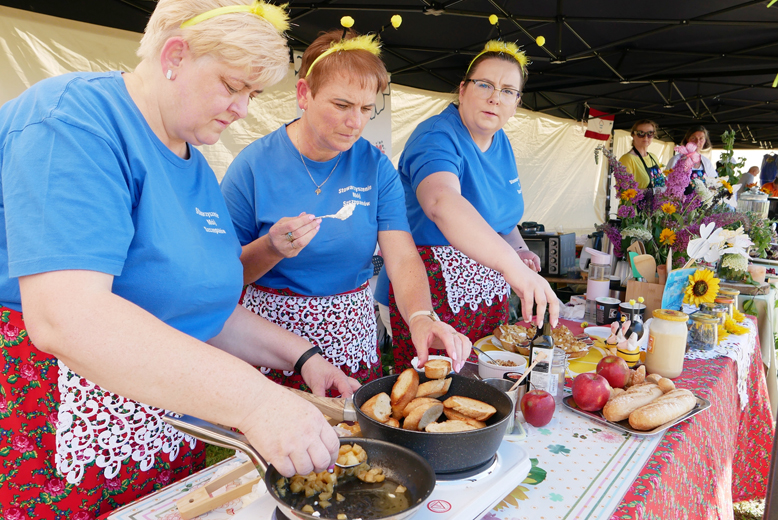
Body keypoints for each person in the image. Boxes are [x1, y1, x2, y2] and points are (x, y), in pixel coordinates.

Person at [0, 2, 361, 518]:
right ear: (174, 55)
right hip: (62, 428)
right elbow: (67, 318)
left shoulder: (193, 158)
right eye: (233, 86)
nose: (242, 108)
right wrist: (256, 401)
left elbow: (197, 308)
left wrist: (302, 357)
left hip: (165, 421)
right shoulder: (71, 121)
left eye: (252, 95)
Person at [220, 29, 471, 393]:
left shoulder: (376, 166)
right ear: (304, 94)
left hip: (349, 331)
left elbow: (400, 257)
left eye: (367, 109)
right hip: (270, 338)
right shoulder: (254, 165)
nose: (356, 122)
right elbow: (224, 275)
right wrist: (271, 249)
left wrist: (420, 316)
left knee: (353, 440)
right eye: (341, 105)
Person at [373, 40, 559, 371]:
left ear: (516, 102)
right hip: (428, 293)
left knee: (485, 388)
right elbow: (441, 202)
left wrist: (517, 249)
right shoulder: (436, 135)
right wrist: (510, 267)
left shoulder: (501, 142)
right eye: (485, 84)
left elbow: (500, 217)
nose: (494, 97)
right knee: (434, 396)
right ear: (462, 89)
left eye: (507, 90)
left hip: (486, 298)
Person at [665, 126, 716, 192]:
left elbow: (714, 183)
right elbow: (667, 183)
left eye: (701, 139)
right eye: (693, 138)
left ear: (705, 141)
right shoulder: (676, 160)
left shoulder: (707, 162)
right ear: (687, 140)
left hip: (702, 201)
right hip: (680, 201)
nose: (697, 142)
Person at [619, 120, 663, 190]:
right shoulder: (627, 159)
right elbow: (624, 191)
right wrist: (653, 192)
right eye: (641, 133)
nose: (645, 137)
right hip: (639, 201)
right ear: (633, 135)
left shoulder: (653, 157)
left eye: (650, 133)